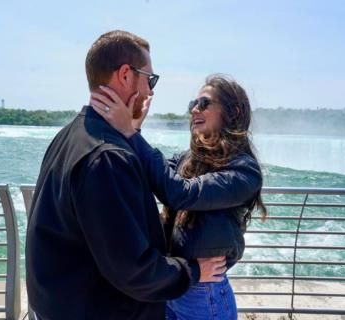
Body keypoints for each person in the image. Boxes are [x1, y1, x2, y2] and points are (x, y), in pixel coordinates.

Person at [25, 30, 227, 320]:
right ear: (124, 75)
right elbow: (134, 270)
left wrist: (131, 132)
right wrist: (195, 270)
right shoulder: (107, 157)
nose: (150, 92)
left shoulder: (71, 135)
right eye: (150, 79)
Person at [90, 74, 267, 320]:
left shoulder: (244, 171)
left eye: (204, 103)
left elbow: (181, 193)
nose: (195, 109)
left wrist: (130, 132)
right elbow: (147, 172)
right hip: (177, 281)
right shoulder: (188, 159)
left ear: (233, 112)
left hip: (205, 293)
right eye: (192, 104)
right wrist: (134, 127)